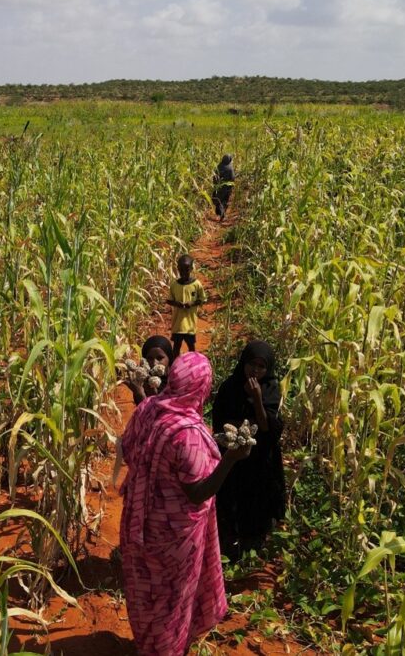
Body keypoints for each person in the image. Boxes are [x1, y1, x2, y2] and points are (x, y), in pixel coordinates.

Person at [118, 352, 252, 656]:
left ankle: (147, 646)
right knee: (172, 600)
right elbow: (197, 493)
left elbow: (128, 450)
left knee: (147, 592)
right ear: (201, 389)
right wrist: (230, 459)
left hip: (137, 521)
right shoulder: (188, 433)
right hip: (173, 536)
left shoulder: (149, 408)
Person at [212, 340, 286, 559]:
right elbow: (219, 422)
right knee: (231, 499)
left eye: (261, 366)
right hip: (233, 457)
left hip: (260, 459)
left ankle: (253, 548)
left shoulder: (271, 388)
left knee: (257, 501)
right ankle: (229, 546)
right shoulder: (230, 386)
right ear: (243, 362)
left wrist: (256, 399)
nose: (255, 370)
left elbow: (267, 427)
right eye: (252, 364)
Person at [167, 254, 207, 356]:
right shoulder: (174, 285)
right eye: (181, 270)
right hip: (178, 323)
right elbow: (169, 300)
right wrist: (177, 304)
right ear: (178, 269)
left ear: (191, 269)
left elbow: (203, 299)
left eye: (187, 270)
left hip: (190, 324)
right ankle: (174, 366)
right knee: (176, 346)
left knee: (191, 346)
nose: (184, 272)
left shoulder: (196, 284)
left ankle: (194, 365)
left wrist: (192, 303)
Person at [123, 335, 175, 405]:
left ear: (170, 359)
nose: (154, 363)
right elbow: (143, 412)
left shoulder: (176, 383)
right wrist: (138, 393)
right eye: (150, 358)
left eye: (160, 358)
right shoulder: (143, 383)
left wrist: (141, 395)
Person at [212, 154, 235, 221]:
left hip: (218, 187)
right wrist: (231, 187)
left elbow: (215, 176)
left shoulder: (219, 166)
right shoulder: (230, 168)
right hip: (226, 188)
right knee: (224, 201)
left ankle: (219, 213)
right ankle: (222, 214)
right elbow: (232, 178)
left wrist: (215, 184)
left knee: (218, 200)